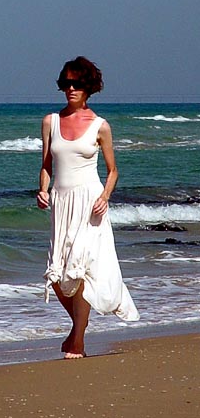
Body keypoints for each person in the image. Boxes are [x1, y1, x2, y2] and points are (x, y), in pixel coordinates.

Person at [37, 56, 139, 359]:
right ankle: (76, 331)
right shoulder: (50, 121)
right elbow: (46, 165)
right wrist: (42, 190)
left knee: (81, 271)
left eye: (77, 83)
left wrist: (105, 197)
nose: (70, 88)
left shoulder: (100, 126)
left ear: (88, 87)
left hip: (90, 203)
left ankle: (78, 341)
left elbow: (113, 170)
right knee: (57, 276)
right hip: (61, 203)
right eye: (66, 83)